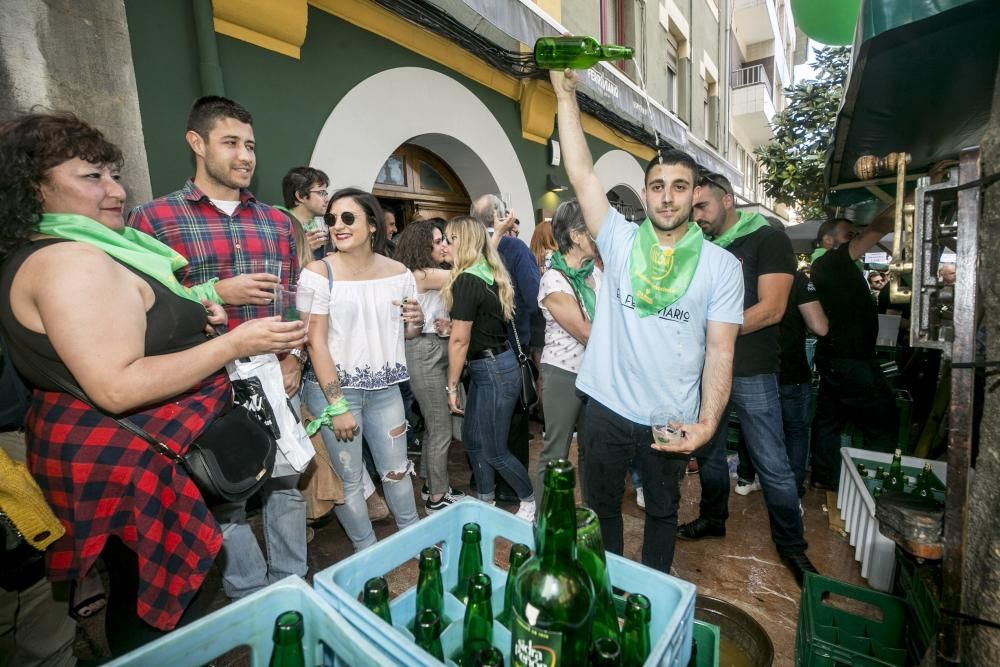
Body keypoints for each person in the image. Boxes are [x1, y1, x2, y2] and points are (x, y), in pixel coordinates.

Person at [0, 112, 305, 653]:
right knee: (154, 605)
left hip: (127, 450)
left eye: (112, 174)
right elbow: (116, 386)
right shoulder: (74, 262)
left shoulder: (82, 251)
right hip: (131, 461)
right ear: (33, 186)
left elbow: (125, 331)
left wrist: (197, 311)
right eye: (91, 177)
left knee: (141, 589)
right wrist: (234, 342)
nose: (114, 190)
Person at [550, 66, 743, 574]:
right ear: (645, 191)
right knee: (600, 511)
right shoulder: (619, 238)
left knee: (662, 512)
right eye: (656, 185)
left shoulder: (722, 267)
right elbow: (582, 174)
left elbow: (721, 350)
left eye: (679, 187)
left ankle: (653, 592)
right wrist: (564, 95)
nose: (666, 196)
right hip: (608, 406)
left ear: (694, 196)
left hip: (670, 416)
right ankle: (608, 590)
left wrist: (706, 422)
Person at [128, 96, 309, 601]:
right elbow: (140, 311)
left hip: (274, 375)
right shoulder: (153, 219)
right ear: (197, 143)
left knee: (286, 484)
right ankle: (248, 596)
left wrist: (295, 357)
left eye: (250, 145)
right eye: (230, 143)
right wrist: (215, 292)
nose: (245, 156)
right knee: (223, 492)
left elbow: (291, 301)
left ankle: (293, 586)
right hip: (204, 380)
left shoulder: (275, 221)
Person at [683, 172, 815, 583]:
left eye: (702, 207)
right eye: (693, 210)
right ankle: (713, 517)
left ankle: (792, 545)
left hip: (752, 370)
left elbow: (773, 309)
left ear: (728, 201)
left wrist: (713, 329)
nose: (697, 216)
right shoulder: (700, 246)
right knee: (708, 451)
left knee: (772, 462)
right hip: (707, 369)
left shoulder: (768, 239)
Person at [299, 188, 422, 551]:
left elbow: (407, 331)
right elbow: (315, 342)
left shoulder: (399, 272)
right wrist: (337, 405)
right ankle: (366, 554)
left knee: (397, 473)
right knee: (350, 481)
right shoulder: (318, 273)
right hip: (335, 392)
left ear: (372, 225)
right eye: (332, 218)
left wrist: (416, 321)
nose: (337, 225)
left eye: (348, 218)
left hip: (386, 391)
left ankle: (416, 545)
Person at [442, 216, 536, 521]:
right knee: (472, 439)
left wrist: (452, 385)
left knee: (495, 449)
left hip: (493, 370)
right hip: (492, 366)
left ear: (464, 242)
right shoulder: (485, 273)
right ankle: (486, 499)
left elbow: (459, 341)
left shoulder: (469, 278)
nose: (445, 244)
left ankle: (529, 501)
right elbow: (476, 325)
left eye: (450, 239)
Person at [809, 215, 898, 490]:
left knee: (829, 420)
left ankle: (825, 477)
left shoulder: (829, 266)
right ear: (828, 240)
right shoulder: (832, 260)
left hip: (838, 357)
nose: (855, 240)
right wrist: (900, 203)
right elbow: (877, 228)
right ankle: (872, 484)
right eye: (849, 236)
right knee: (882, 422)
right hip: (850, 358)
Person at [470, 195, 540, 503]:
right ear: (501, 216)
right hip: (511, 347)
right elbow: (536, 294)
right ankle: (514, 491)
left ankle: (484, 482)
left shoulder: (468, 251)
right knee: (510, 423)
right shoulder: (514, 248)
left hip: (476, 350)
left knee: (482, 421)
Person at [394, 218, 466, 512]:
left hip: (433, 346)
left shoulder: (428, 274)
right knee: (440, 427)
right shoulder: (421, 274)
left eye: (444, 240)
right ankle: (437, 497)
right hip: (423, 351)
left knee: (434, 423)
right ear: (423, 246)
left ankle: (429, 484)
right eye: (438, 241)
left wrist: (447, 325)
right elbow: (469, 276)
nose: (444, 245)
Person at [534, 200, 602, 503]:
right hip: (563, 373)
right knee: (556, 451)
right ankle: (544, 520)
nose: (599, 236)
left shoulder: (596, 273)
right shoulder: (553, 279)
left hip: (597, 373)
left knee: (593, 450)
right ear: (575, 235)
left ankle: (590, 515)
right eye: (593, 230)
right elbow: (585, 332)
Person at [278, 166, 331, 262]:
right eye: (321, 193)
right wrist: (302, 250)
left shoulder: (319, 227)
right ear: (300, 196)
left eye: (326, 193)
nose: (327, 199)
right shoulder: (279, 225)